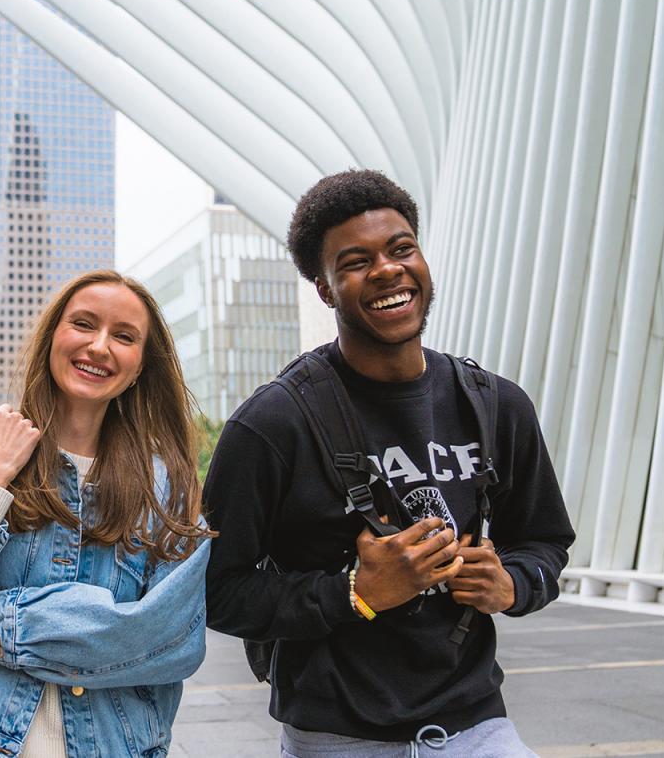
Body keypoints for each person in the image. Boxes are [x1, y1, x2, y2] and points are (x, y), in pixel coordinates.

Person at [203, 170, 575, 757]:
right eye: (355, 261)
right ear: (325, 289)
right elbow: (216, 590)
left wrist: (509, 583)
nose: (386, 269)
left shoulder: (497, 404)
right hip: (334, 738)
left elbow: (546, 541)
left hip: (478, 727)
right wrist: (356, 591)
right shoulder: (272, 425)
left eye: (402, 248)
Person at [0, 269, 214, 757]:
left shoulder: (168, 487)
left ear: (141, 365)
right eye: (83, 324)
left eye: (123, 336)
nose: (100, 347)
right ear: (52, 336)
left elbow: (172, 641)